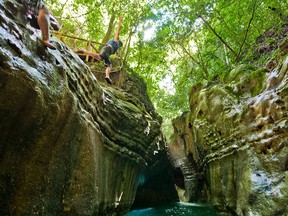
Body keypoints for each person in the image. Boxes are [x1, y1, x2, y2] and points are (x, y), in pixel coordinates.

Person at [76, 16, 123, 84]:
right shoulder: (116, 40)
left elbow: (116, 53)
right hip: (107, 50)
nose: (119, 45)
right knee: (106, 63)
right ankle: (107, 76)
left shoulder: (116, 47)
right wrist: (120, 22)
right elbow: (117, 32)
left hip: (106, 51)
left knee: (101, 59)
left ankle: (85, 52)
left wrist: (118, 56)